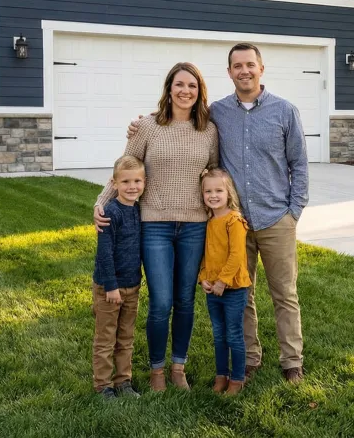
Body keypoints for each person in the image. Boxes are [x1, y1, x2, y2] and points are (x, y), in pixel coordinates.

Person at [127, 43, 309, 383]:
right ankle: (250, 358)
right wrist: (138, 124)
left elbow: (299, 164)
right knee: (243, 292)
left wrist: (294, 211)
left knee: (284, 294)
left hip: (275, 219)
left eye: (250, 65)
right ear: (229, 72)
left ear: (261, 68)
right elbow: (174, 128)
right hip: (232, 223)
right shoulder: (217, 114)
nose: (244, 71)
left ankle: (291, 362)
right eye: (237, 66)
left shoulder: (285, 111)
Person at [93, 62, 218, 392]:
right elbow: (124, 166)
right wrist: (102, 202)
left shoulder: (209, 130)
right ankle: (157, 371)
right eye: (179, 84)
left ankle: (179, 367)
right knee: (161, 302)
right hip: (155, 226)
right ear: (169, 88)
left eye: (192, 86)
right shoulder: (147, 126)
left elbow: (214, 173)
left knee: (186, 301)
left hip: (194, 226)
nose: (185, 91)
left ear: (199, 91)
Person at [92, 155, 145, 400]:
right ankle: (103, 385)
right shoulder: (110, 212)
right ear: (114, 184)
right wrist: (111, 286)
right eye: (125, 182)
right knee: (106, 338)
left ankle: (123, 381)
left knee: (126, 337)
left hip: (132, 286)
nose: (132, 186)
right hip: (109, 287)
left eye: (137, 181)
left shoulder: (138, 210)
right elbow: (104, 253)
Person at [198, 168, 251, 396]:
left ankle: (237, 379)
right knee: (218, 334)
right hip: (213, 289)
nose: (213, 195)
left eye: (218, 190)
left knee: (233, 334)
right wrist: (203, 278)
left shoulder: (234, 220)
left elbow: (237, 255)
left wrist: (222, 281)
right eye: (208, 191)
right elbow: (205, 255)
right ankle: (222, 375)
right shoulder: (209, 221)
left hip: (234, 288)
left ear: (228, 192)